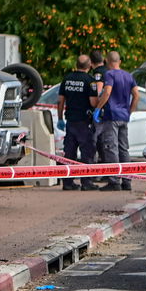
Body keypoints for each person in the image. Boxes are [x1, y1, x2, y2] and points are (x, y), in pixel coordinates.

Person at [94, 50, 140, 191]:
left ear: (107, 61)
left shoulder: (109, 74)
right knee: (123, 148)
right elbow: (136, 95)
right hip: (124, 116)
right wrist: (130, 111)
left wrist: (98, 108)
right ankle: (127, 181)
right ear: (119, 61)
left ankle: (114, 181)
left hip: (111, 116)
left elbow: (107, 92)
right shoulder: (128, 75)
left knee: (111, 148)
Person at [56, 53, 102, 191]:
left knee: (69, 153)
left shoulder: (67, 79)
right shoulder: (91, 81)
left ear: (76, 65)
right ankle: (86, 183)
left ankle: (68, 183)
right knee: (87, 152)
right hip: (84, 122)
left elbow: (60, 100)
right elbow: (93, 102)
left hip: (70, 120)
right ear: (89, 66)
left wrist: (59, 118)